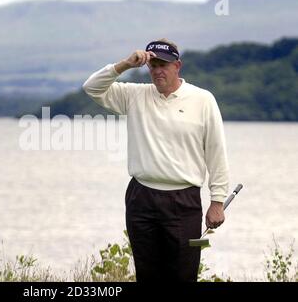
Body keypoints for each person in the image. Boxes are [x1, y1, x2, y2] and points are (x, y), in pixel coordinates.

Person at [82, 39, 229, 282]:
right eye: (153, 66)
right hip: (142, 198)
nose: (158, 71)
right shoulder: (135, 94)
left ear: (177, 66)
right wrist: (125, 64)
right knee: (148, 275)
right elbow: (92, 87)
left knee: (183, 275)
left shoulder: (203, 100)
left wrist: (218, 201)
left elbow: (216, 152)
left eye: (164, 65)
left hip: (184, 200)